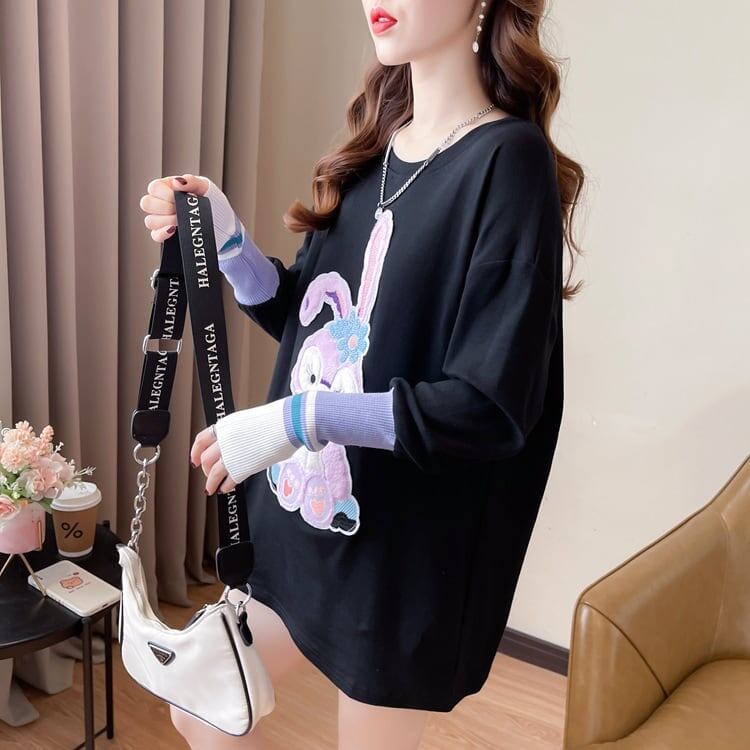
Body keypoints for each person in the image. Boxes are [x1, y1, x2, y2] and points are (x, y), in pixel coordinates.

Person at [139, 1, 585, 747]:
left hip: (402, 552)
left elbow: (487, 405)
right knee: (199, 707)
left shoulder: (508, 163)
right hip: (303, 522)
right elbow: (314, 322)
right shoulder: (378, 146)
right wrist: (228, 243)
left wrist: (296, 420)